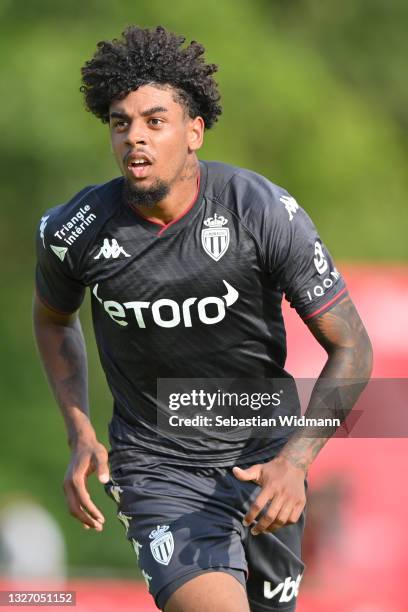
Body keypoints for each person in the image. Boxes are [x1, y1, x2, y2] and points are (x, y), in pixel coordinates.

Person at [33, 25, 372, 612]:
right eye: (121, 123)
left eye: (154, 121)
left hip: (264, 464)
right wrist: (80, 431)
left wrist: (294, 462)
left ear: (194, 132)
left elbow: (354, 347)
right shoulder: (75, 232)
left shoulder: (262, 213)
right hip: (158, 469)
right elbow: (53, 318)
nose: (134, 138)